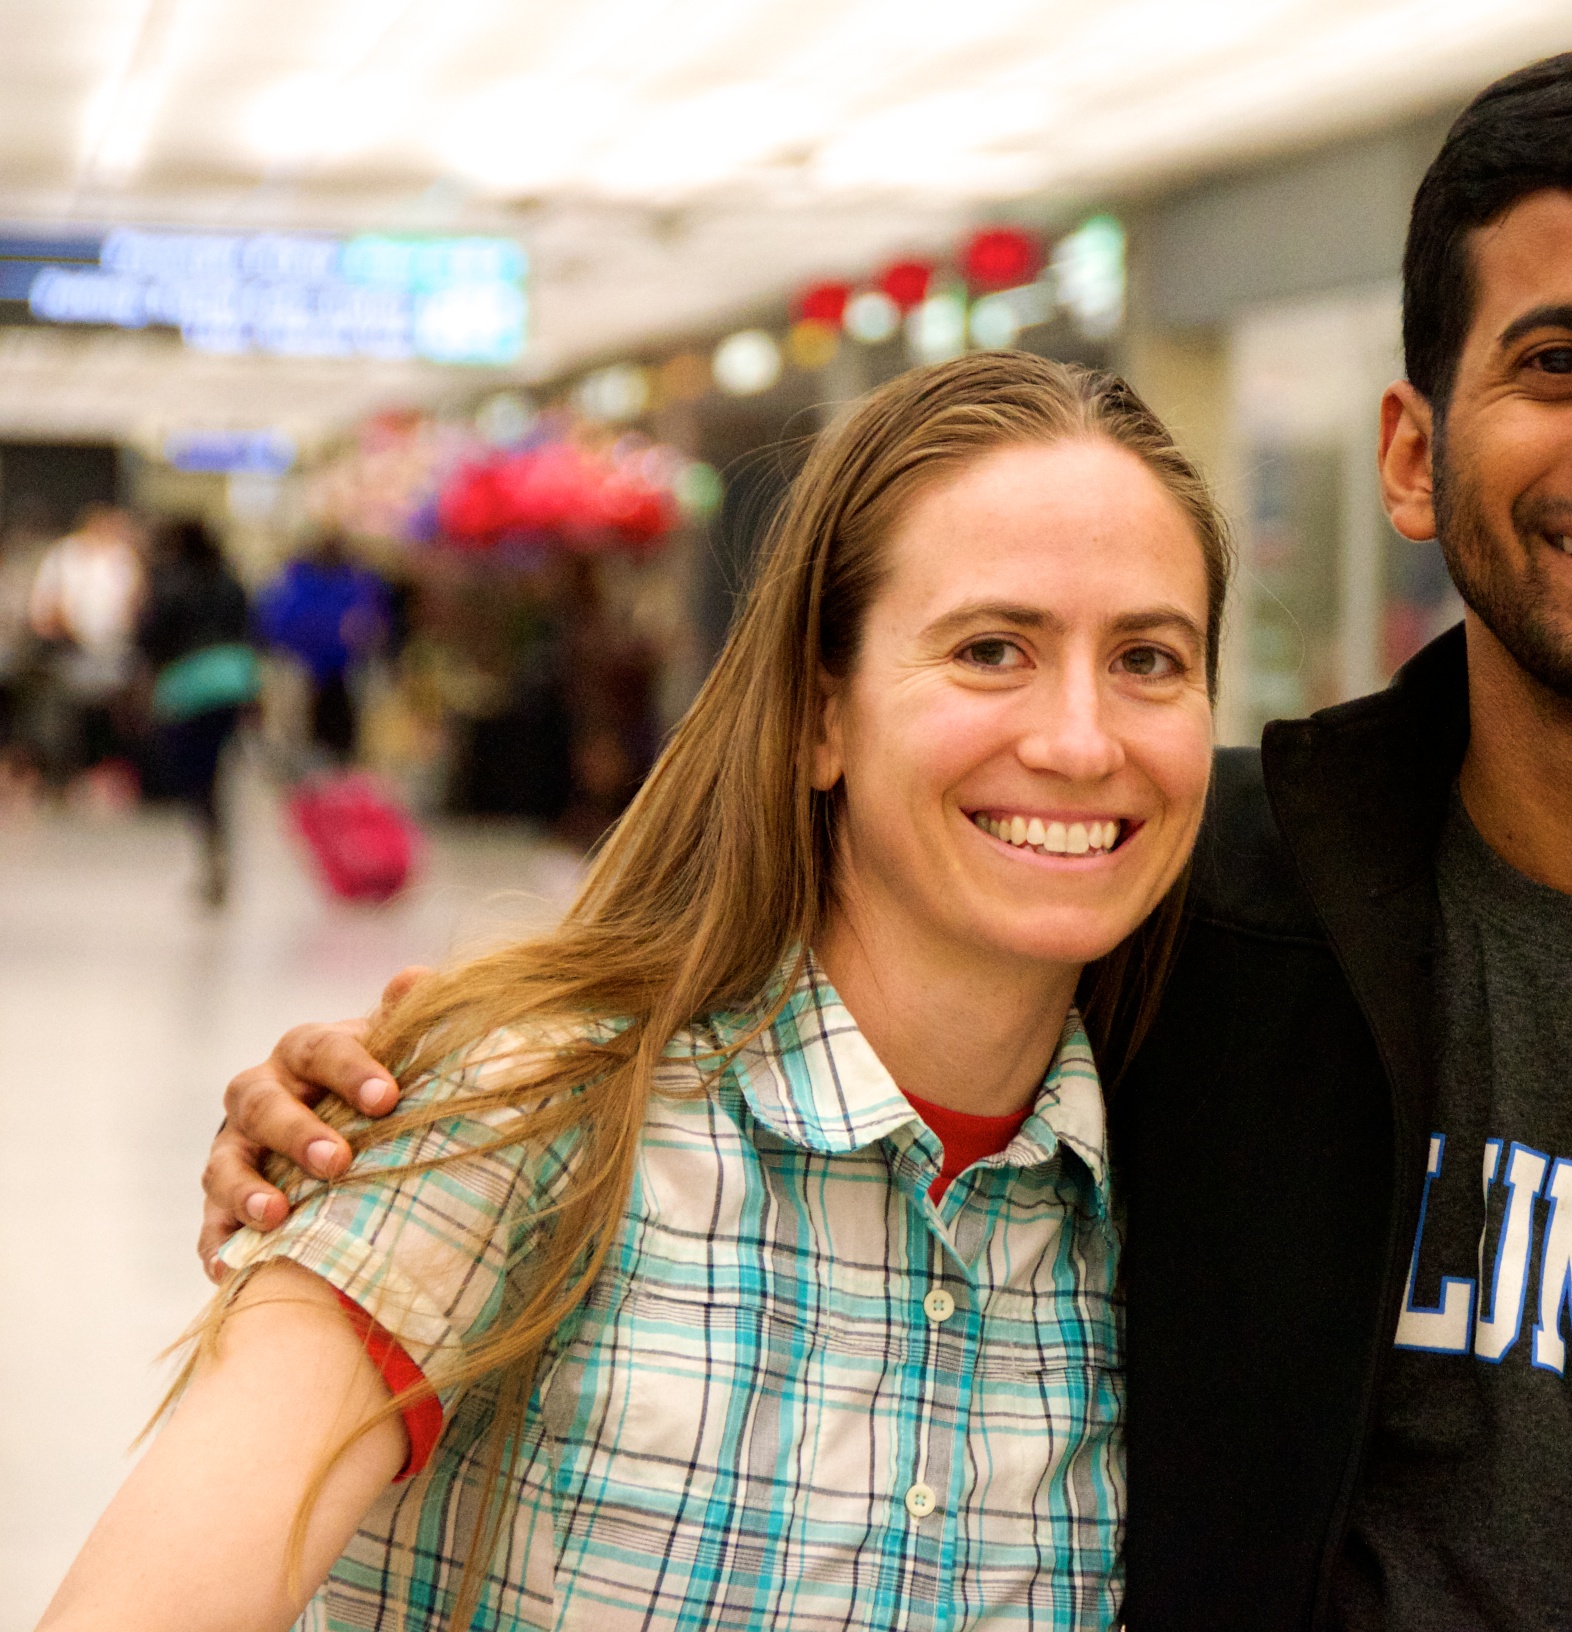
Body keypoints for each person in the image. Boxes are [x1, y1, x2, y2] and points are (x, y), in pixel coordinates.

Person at [201, 42, 1572, 1629]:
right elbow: (751, 1021)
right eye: (1557, 360)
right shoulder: (1167, 894)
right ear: (1410, 442)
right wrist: (396, 1092)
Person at [49, 353, 1225, 1630]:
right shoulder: (524, 1118)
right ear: (819, 718)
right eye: (992, 649)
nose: (1079, 739)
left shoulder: (1176, 1210)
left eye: (1149, 660)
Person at [137, 518, 258, 907]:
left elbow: (153, 636)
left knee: (196, 780)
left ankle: (211, 852)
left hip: (189, 688)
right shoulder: (230, 582)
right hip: (234, 682)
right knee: (216, 774)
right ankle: (218, 851)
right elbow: (251, 631)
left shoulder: (171, 581)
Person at [27, 503, 143, 786]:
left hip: (114, 650)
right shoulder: (65, 555)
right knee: (64, 714)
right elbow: (47, 606)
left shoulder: (122, 559)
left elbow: (135, 603)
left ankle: (111, 772)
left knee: (117, 713)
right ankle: (64, 773)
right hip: (70, 649)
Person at [255, 532, 389, 763]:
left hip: (343, 674)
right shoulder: (298, 580)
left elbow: (375, 625)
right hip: (302, 670)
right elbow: (274, 623)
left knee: (337, 739)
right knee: (301, 736)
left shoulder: (357, 582)